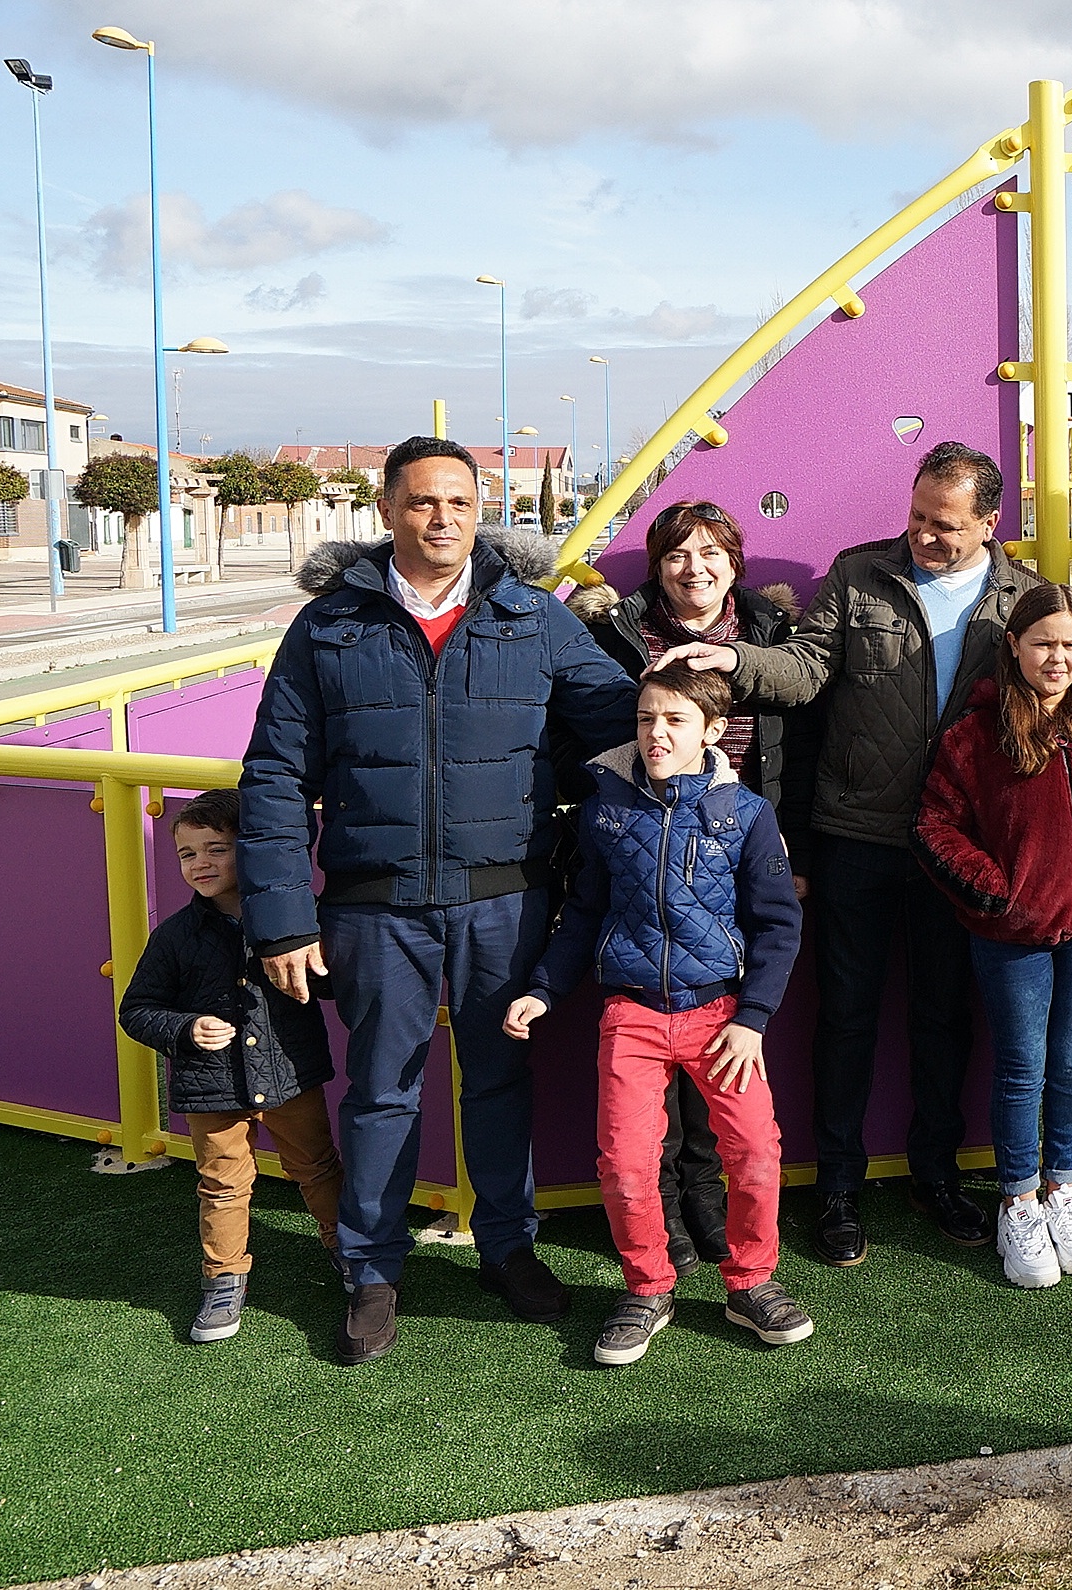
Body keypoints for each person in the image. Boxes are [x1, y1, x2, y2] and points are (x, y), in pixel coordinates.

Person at [239, 435, 639, 1366]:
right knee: (381, 1092)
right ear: (386, 510)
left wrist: (710, 685)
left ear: (479, 511)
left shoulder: (533, 617)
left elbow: (624, 718)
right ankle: (371, 1268)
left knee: (499, 1082)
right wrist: (283, 919)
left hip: (506, 900)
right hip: (373, 907)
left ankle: (507, 1247)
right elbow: (273, 776)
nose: (442, 518)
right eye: (422, 501)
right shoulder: (329, 625)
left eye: (459, 502)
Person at [653, 441, 1044, 1266]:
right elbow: (805, 668)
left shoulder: (1024, 598)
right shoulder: (860, 573)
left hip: (958, 845)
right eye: (916, 517)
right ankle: (836, 1188)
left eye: (944, 526)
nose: (924, 536)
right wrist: (736, 660)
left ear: (988, 521)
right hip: (856, 836)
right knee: (846, 1018)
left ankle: (936, 1175)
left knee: (943, 1018)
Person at [504, 663, 811, 1365]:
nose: (656, 734)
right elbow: (583, 913)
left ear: (713, 731)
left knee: (755, 1153)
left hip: (723, 1018)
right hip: (632, 1015)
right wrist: (543, 988)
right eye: (646, 719)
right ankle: (647, 1288)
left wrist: (753, 1018)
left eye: (675, 720)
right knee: (626, 1164)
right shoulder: (604, 811)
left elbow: (778, 925)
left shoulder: (747, 815)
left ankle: (750, 1282)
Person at [585, 499, 818, 1276]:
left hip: (739, 841)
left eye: (711, 551)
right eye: (677, 554)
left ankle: (705, 1196)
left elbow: (801, 735)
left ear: (734, 561)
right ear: (656, 566)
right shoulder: (621, 631)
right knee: (656, 1027)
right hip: (650, 844)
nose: (695, 568)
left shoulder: (768, 630)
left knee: (716, 1023)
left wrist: (788, 843)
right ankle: (662, 1209)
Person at [911, 584, 1072, 1288]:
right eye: (1042, 643)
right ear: (1013, 646)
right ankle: (1018, 1201)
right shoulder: (976, 733)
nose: (1056, 657)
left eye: (1069, 645)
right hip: (1011, 936)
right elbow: (933, 825)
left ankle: (1064, 1188)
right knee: (1021, 1069)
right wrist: (996, 892)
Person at [118, 790, 344, 1344]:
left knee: (316, 1167)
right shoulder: (175, 935)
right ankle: (223, 1279)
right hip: (211, 1085)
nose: (200, 864)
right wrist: (185, 1029)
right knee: (222, 1184)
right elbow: (137, 1010)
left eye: (216, 849)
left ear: (253, 850)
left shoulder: (298, 919)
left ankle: (349, 1250)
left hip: (288, 1073)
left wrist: (322, 960)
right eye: (187, 853)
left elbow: (332, 984)